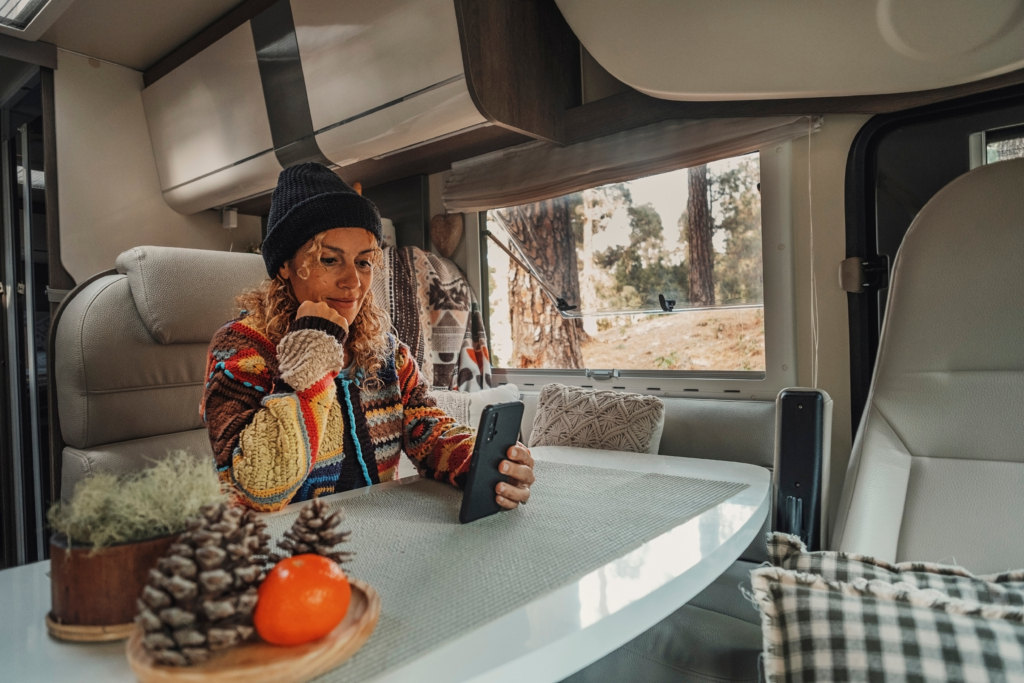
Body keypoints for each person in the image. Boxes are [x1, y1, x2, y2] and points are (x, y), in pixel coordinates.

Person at [201, 163, 535, 512]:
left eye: (363, 262)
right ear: (285, 264)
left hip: (377, 532)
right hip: (290, 544)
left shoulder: (385, 350)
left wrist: (486, 462)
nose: (354, 282)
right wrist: (314, 347)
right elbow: (255, 488)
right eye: (329, 260)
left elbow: (426, 430)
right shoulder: (241, 348)